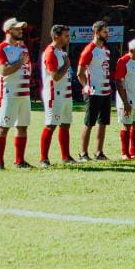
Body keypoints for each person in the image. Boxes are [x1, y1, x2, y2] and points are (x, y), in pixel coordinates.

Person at [0, 18, 33, 169]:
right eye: (17, 29)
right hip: (8, 94)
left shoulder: (23, 48)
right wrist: (19, 63)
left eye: (21, 28)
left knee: (22, 126)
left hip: (24, 93)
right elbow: (3, 71)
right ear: (8, 31)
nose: (20, 31)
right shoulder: (1, 49)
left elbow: (27, 67)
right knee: (3, 127)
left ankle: (20, 160)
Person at [76, 20, 114, 161]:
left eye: (107, 32)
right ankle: (83, 153)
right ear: (97, 32)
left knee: (103, 123)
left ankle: (99, 152)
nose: (107, 34)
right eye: (105, 32)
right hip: (93, 92)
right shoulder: (89, 49)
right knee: (89, 122)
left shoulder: (106, 50)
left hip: (105, 91)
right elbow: (80, 72)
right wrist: (86, 86)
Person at [39, 24, 73, 166]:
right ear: (57, 37)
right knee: (51, 125)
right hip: (54, 94)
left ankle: (66, 156)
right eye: (66, 36)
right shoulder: (50, 52)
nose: (68, 38)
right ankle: (44, 158)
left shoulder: (62, 51)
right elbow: (55, 76)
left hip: (65, 93)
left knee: (65, 124)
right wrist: (66, 65)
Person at [113, 39, 135, 158]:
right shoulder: (123, 61)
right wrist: (125, 102)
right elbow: (118, 82)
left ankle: (134, 152)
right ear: (131, 51)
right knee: (126, 125)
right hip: (127, 99)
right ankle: (125, 154)